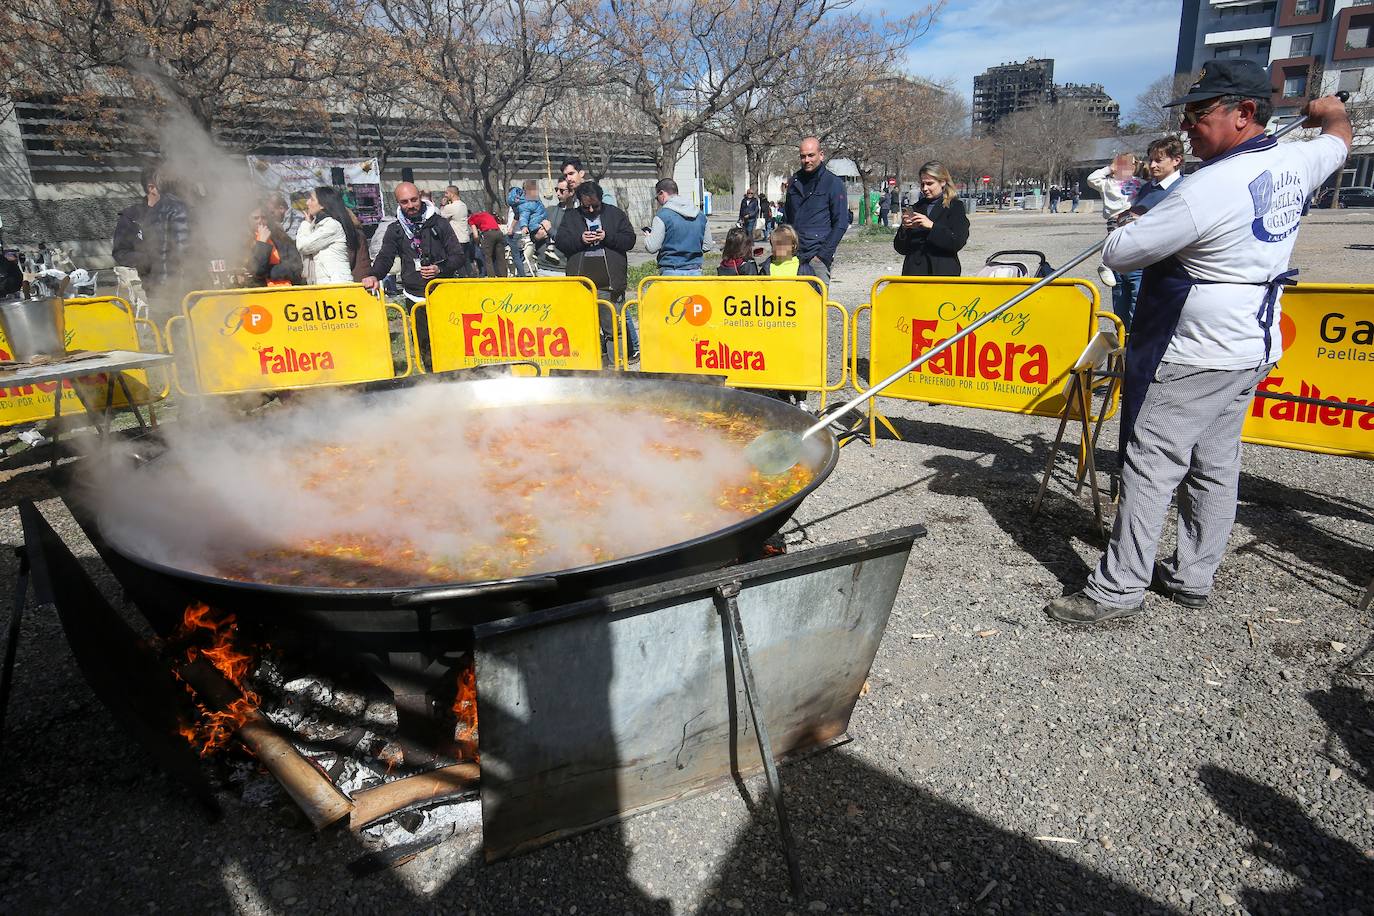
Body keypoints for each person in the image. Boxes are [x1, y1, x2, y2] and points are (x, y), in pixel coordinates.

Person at [1044, 62, 1351, 626]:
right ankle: (1191, 575)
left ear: (1245, 113)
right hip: (1249, 347)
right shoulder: (1298, 159)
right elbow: (1338, 136)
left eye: (1200, 113)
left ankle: (1119, 589)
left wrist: (1129, 221)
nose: (1188, 126)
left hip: (1198, 351)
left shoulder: (1206, 188)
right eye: (1187, 113)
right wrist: (1328, 110)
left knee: (1150, 463)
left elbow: (1120, 253)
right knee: (1213, 462)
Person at [363, 182, 467, 368]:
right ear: (398, 203)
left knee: (451, 340)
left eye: (414, 200)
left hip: (442, 293)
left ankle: (456, 375)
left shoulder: (440, 223)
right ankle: (431, 378)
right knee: (424, 344)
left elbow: (458, 256)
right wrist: (374, 275)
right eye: (404, 202)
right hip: (414, 296)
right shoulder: (395, 229)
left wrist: (439, 269)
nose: (410, 205)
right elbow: (385, 257)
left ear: (420, 196)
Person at [555, 180, 638, 362]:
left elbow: (629, 240)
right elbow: (560, 242)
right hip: (581, 285)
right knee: (584, 328)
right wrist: (580, 239)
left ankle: (616, 366)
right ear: (579, 203)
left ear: (601, 200)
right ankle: (591, 364)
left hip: (609, 284)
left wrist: (607, 237)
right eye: (587, 207)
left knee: (613, 328)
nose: (591, 210)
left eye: (595, 206)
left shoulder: (615, 215)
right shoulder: (571, 217)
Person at [782, 137, 848, 285]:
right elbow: (786, 221)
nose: (806, 160)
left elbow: (841, 223)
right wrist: (782, 252)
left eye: (811, 155)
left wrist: (822, 256)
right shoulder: (794, 182)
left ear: (821, 155)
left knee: (816, 305)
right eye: (803, 156)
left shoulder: (834, 183)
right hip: (792, 257)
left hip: (817, 258)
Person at [1088, 152, 1144, 315]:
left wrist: (1138, 164)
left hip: (1132, 219)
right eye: (1121, 165)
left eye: (1129, 165)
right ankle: (1107, 264)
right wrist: (1109, 168)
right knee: (1113, 241)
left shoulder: (1138, 183)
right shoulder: (1107, 183)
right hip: (1114, 218)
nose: (1124, 168)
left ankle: (1109, 264)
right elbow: (1092, 179)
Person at [892, 161, 969, 278]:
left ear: (942, 182)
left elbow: (957, 242)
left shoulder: (955, 207)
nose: (925, 188)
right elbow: (901, 248)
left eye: (929, 183)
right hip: (914, 274)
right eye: (922, 184)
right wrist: (904, 228)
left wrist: (932, 226)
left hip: (942, 273)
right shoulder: (917, 207)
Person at [643, 178, 712, 275]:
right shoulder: (701, 216)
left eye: (656, 197)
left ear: (662, 193)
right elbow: (707, 245)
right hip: (695, 271)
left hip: (670, 271)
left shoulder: (662, 216)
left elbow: (652, 247)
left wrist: (648, 238)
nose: (657, 200)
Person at [294, 186, 360, 285]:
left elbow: (303, 246)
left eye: (312, 199)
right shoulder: (319, 226)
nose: (307, 203)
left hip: (336, 284)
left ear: (322, 205)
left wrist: (306, 223)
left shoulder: (331, 225)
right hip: (327, 284)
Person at [244, 206, 303, 286]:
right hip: (262, 293)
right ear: (248, 220)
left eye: (264, 217)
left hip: (287, 289)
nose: (260, 221)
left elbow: (296, 267)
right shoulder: (244, 242)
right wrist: (262, 243)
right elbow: (257, 270)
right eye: (256, 218)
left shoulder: (281, 238)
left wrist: (269, 272)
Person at [467, 209, 507, 277]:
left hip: (488, 234)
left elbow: (476, 235)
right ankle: (504, 277)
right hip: (499, 232)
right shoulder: (485, 214)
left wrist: (477, 243)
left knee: (488, 257)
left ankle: (491, 278)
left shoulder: (471, 219)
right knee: (501, 257)